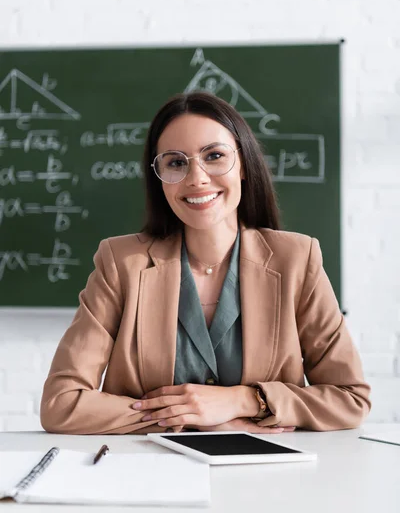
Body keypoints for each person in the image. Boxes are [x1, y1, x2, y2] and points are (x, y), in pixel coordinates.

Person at [40, 91, 371, 435]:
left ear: (243, 165)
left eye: (214, 156)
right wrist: (190, 418)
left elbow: (349, 398)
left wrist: (243, 401)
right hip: (148, 473)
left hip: (269, 477)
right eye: (176, 162)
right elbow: (61, 404)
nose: (196, 178)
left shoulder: (297, 259)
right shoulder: (121, 264)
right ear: (159, 177)